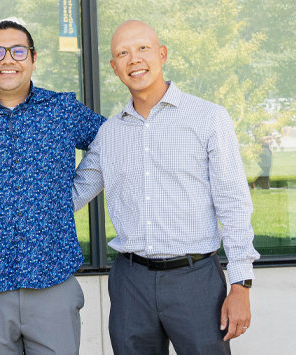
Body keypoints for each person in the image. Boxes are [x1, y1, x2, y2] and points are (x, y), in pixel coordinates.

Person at [72, 20, 259, 354]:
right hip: (131, 282)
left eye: (142, 48)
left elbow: (233, 203)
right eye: (122, 53)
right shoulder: (109, 134)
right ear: (114, 68)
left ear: (162, 54)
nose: (134, 59)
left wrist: (240, 285)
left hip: (196, 279)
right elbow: (72, 195)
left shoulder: (208, 118)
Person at [0, 20, 106, 354]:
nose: (7, 60)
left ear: (33, 58)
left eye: (18, 51)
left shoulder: (62, 110)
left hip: (52, 280)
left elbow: (115, 144)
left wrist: (72, 196)